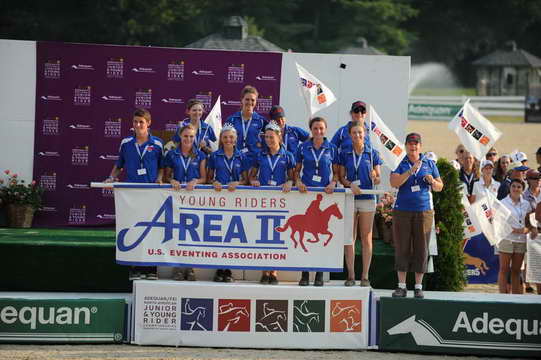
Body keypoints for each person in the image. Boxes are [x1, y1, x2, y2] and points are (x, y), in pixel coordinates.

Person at [105, 108, 164, 280]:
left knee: (151, 230)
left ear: (148, 123)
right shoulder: (126, 143)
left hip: (151, 193)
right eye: (135, 122)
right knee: (133, 229)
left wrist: (159, 178)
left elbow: (162, 166)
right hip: (131, 194)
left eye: (141, 122)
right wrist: (111, 177)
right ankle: (135, 268)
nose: (138, 125)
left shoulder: (158, 144)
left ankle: (151, 268)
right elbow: (119, 165)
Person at [390, 133, 444, 299]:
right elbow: (394, 182)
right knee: (402, 247)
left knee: (422, 248)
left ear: (420, 146)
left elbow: (440, 186)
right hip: (402, 211)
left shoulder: (429, 163)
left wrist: (433, 182)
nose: (413, 147)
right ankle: (401, 286)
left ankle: (418, 286)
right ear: (406, 145)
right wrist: (410, 171)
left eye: (416, 144)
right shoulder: (399, 162)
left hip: (424, 211)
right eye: (410, 144)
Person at [249, 122, 296, 285]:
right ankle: (264, 272)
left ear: (279, 136)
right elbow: (252, 175)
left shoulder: (288, 155)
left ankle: (274, 272)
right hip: (264, 200)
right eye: (266, 137)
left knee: (277, 236)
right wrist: (253, 180)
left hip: (281, 201)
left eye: (271, 136)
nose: (268, 139)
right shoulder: (260, 155)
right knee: (263, 236)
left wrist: (290, 182)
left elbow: (292, 177)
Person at [295, 117, 339, 286]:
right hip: (306, 196)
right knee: (306, 235)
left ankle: (319, 273)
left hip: (325, 196)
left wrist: (333, 182)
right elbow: (296, 171)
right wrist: (298, 182)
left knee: (320, 236)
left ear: (325, 130)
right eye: (315, 128)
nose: (318, 131)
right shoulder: (302, 147)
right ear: (311, 130)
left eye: (321, 128)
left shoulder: (332, 148)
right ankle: (304, 274)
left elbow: (336, 172)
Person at [338, 120, 382, 287]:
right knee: (350, 238)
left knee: (366, 238)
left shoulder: (372, 153)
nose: (357, 135)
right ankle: (350, 275)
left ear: (365, 135)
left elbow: (378, 178)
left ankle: (364, 276)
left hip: (367, 199)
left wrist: (374, 176)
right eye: (354, 133)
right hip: (350, 197)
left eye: (360, 133)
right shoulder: (345, 153)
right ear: (350, 135)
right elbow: (342, 177)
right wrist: (350, 185)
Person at [207, 125, 250, 282]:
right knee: (219, 234)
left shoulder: (241, 157)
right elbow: (208, 177)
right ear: (221, 139)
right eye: (225, 137)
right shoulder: (214, 156)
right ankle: (219, 270)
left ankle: (228, 270)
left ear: (236, 139)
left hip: (236, 201)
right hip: (219, 200)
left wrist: (238, 183)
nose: (228, 140)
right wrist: (214, 182)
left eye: (231, 137)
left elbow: (246, 179)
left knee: (232, 236)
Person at [164, 124, 207, 281]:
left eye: (191, 136)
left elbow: (204, 178)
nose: (188, 139)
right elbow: (167, 176)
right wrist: (172, 180)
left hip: (194, 198)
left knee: (192, 233)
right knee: (177, 232)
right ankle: (178, 267)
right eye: (185, 136)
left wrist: (196, 181)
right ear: (180, 137)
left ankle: (190, 268)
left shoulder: (200, 155)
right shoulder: (172, 154)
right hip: (177, 198)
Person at [498, 179, 538, 294]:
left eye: (519, 187)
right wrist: (516, 230)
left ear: (522, 189)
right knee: (504, 269)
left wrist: (529, 228)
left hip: (521, 241)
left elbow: (530, 220)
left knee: (516, 271)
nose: (516, 189)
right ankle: (502, 297)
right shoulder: (503, 202)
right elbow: (499, 222)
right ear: (510, 188)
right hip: (506, 239)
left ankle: (515, 297)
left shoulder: (526, 204)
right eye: (513, 186)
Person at [225, 85, 267, 162]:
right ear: (242, 100)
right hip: (235, 160)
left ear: (256, 101)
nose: (250, 102)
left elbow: (269, 141)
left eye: (253, 100)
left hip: (255, 162)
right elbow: (223, 140)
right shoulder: (231, 119)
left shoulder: (262, 121)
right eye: (247, 99)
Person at [522, 169, 541, 293]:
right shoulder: (523, 195)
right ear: (528, 180)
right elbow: (524, 215)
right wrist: (531, 227)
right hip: (530, 229)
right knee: (528, 258)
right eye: (534, 178)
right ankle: (527, 284)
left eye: (539, 178)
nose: (538, 180)